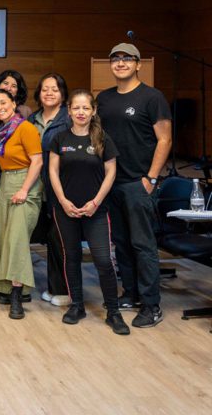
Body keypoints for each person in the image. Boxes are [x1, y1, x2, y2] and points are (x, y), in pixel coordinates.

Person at [96, 43, 172, 328]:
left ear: (138, 64)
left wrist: (151, 178)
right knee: (122, 243)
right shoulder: (104, 98)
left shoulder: (152, 97)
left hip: (138, 183)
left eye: (127, 59)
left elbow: (165, 139)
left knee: (143, 245)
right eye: (115, 59)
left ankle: (151, 305)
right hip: (112, 182)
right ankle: (131, 293)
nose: (121, 63)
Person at [49, 89, 130, 335]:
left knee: (103, 260)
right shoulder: (60, 139)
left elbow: (111, 173)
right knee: (71, 257)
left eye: (86, 108)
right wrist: (63, 201)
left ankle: (113, 312)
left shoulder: (102, 138)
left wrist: (95, 202)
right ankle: (77, 306)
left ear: (93, 111)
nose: (81, 112)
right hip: (66, 210)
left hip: (96, 210)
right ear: (69, 111)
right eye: (76, 108)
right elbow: (53, 172)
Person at [0, 89, 43, 320]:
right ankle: (7, 287)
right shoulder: (1, 131)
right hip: (6, 184)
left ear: (13, 103)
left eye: (3, 102)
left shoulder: (25, 128)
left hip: (25, 182)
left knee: (17, 239)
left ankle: (18, 295)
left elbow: (37, 161)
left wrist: (24, 189)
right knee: (2, 237)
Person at [28, 73, 70, 307]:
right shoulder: (31, 120)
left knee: (60, 240)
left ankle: (63, 290)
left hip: (61, 188)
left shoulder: (69, 119)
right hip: (36, 188)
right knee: (47, 238)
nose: (49, 93)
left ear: (62, 94)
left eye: (55, 89)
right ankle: (50, 286)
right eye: (45, 89)